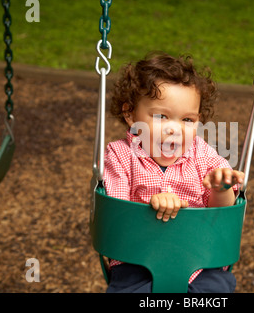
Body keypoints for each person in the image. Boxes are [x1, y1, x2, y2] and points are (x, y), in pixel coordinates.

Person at [104, 51, 244, 293]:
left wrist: (221, 189)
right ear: (130, 114)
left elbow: (221, 216)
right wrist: (151, 205)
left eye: (187, 120)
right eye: (161, 116)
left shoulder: (204, 156)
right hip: (136, 261)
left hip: (201, 260)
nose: (175, 129)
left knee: (216, 291)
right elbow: (116, 215)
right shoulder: (120, 155)